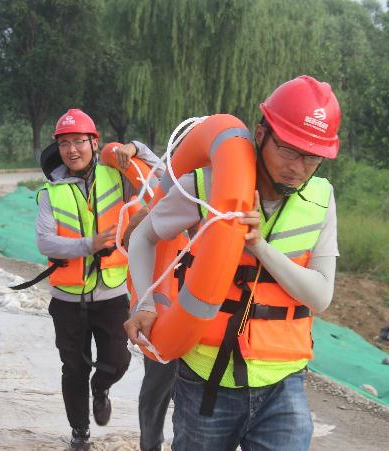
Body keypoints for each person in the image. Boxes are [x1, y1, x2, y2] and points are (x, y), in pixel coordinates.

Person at [125, 75, 341, 451]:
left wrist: (259, 247)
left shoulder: (322, 197)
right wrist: (143, 303)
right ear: (261, 135)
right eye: (289, 150)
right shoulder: (206, 186)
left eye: (312, 156)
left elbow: (321, 295)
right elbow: (143, 237)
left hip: (283, 382)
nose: (299, 166)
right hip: (206, 377)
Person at [36, 108, 164, 450]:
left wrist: (136, 147)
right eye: (64, 143)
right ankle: (80, 434)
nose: (72, 149)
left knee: (118, 359)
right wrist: (88, 244)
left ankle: (102, 387)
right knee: (73, 369)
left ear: (95, 142)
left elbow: (161, 175)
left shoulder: (115, 173)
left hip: (111, 293)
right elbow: (45, 241)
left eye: (79, 141)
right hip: (67, 298)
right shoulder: (50, 191)